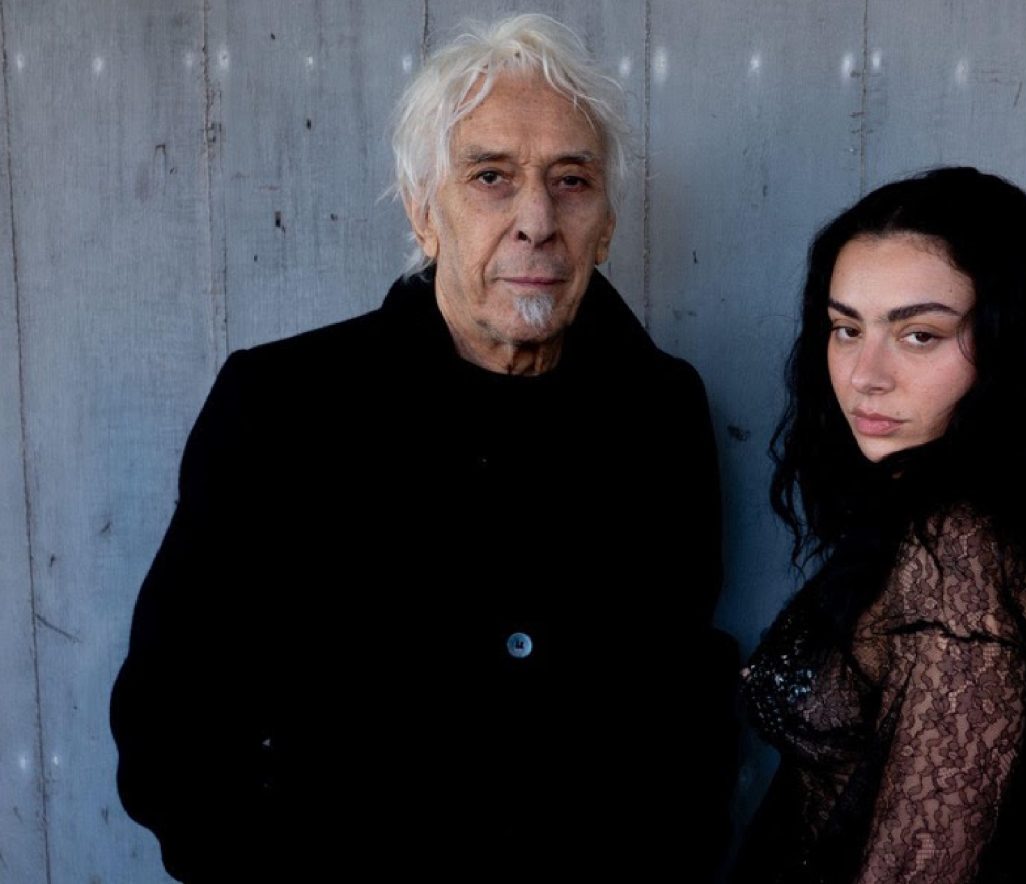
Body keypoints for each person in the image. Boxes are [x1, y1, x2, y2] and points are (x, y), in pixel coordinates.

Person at [110, 14, 733, 883]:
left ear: (607, 222)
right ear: (421, 208)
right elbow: (174, 722)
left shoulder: (662, 407)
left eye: (571, 180)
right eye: (490, 176)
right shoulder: (284, 406)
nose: (536, 220)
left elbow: (681, 690)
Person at [734, 167, 1026, 883]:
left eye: (919, 335)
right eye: (845, 328)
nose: (865, 374)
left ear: (1014, 347)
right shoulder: (930, 515)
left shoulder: (960, 551)